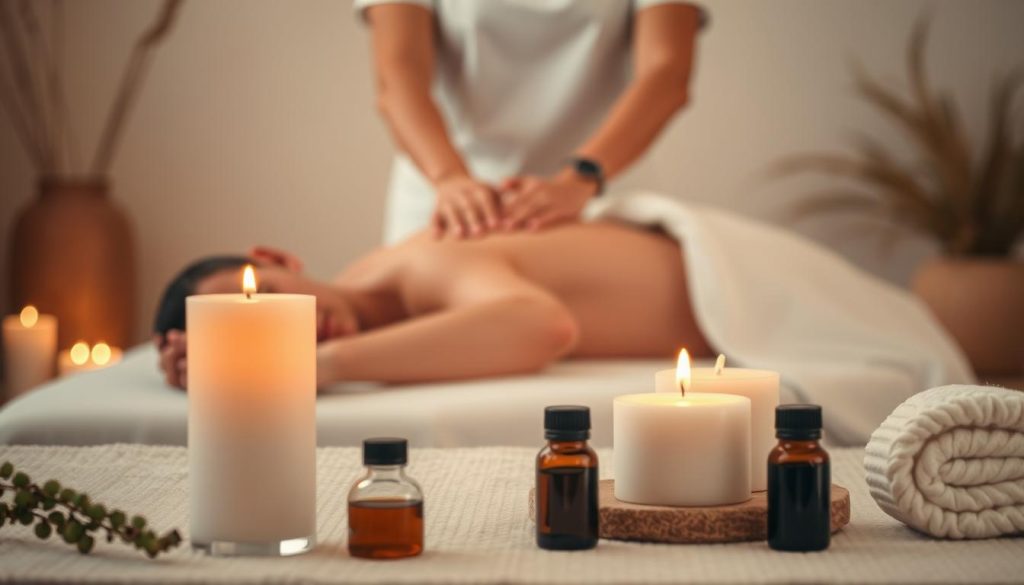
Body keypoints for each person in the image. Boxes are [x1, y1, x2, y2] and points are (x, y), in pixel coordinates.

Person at [154, 220, 712, 389]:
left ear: (277, 257)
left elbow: (542, 326)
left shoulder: (421, 265)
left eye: (270, 295)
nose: (292, 323)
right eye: (260, 328)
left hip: (732, 283)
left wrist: (311, 367)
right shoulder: (381, 301)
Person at [357, 0, 705, 242]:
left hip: (601, 186)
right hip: (449, 197)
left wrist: (580, 178)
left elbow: (667, 73)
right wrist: (450, 179)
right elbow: (397, 75)